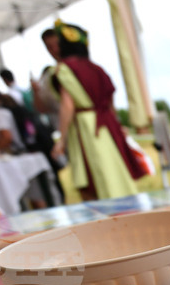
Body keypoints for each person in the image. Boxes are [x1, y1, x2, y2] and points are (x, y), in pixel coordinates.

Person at [48, 21, 147, 201]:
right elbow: (110, 102)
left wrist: (60, 139)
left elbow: (67, 105)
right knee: (115, 173)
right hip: (107, 125)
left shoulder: (65, 69)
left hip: (86, 128)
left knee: (91, 178)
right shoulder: (97, 68)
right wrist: (116, 125)